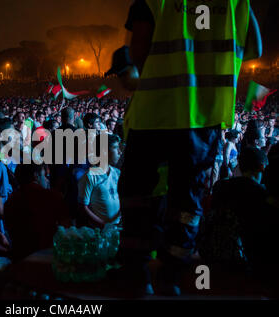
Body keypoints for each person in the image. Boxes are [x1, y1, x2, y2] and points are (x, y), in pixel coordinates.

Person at [109, 0, 262, 295]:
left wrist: (126, 73)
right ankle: (171, 276)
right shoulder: (236, 2)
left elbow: (139, 56)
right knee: (187, 202)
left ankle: (136, 275)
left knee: (137, 193)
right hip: (203, 117)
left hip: (155, 112)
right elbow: (254, 48)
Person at [4, 164, 70, 261]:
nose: (47, 180)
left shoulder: (10, 201)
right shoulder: (53, 197)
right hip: (49, 258)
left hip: (20, 259)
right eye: (45, 176)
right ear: (36, 176)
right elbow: (66, 229)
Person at [77, 133, 122, 228]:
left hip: (117, 226)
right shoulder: (90, 176)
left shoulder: (117, 173)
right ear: (104, 151)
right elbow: (83, 206)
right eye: (115, 148)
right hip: (100, 230)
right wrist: (104, 225)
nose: (119, 152)